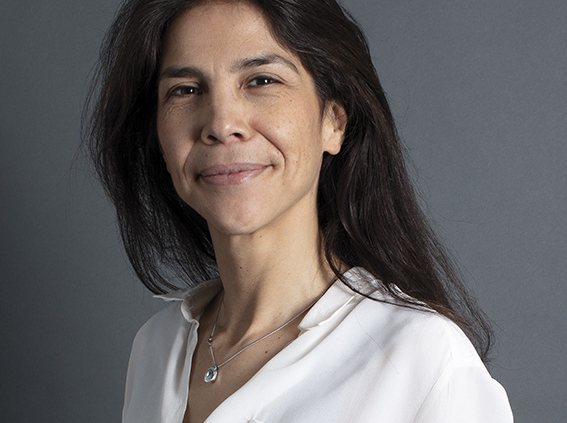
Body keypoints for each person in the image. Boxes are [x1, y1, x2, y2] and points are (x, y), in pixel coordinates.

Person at [84, 0, 513, 421]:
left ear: (334, 122)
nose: (221, 123)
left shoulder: (424, 361)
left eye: (261, 81)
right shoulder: (156, 349)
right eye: (186, 90)